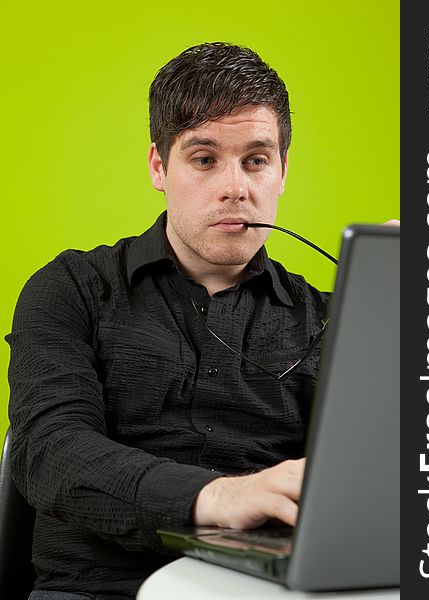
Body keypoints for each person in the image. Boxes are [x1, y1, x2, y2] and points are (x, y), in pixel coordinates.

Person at [7, 42, 344, 599]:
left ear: (282, 171)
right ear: (159, 167)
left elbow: (398, 475)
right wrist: (217, 498)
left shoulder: (333, 319)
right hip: (99, 588)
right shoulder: (71, 288)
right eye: (205, 158)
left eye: (256, 160)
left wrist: (421, 318)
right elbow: (48, 451)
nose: (236, 187)